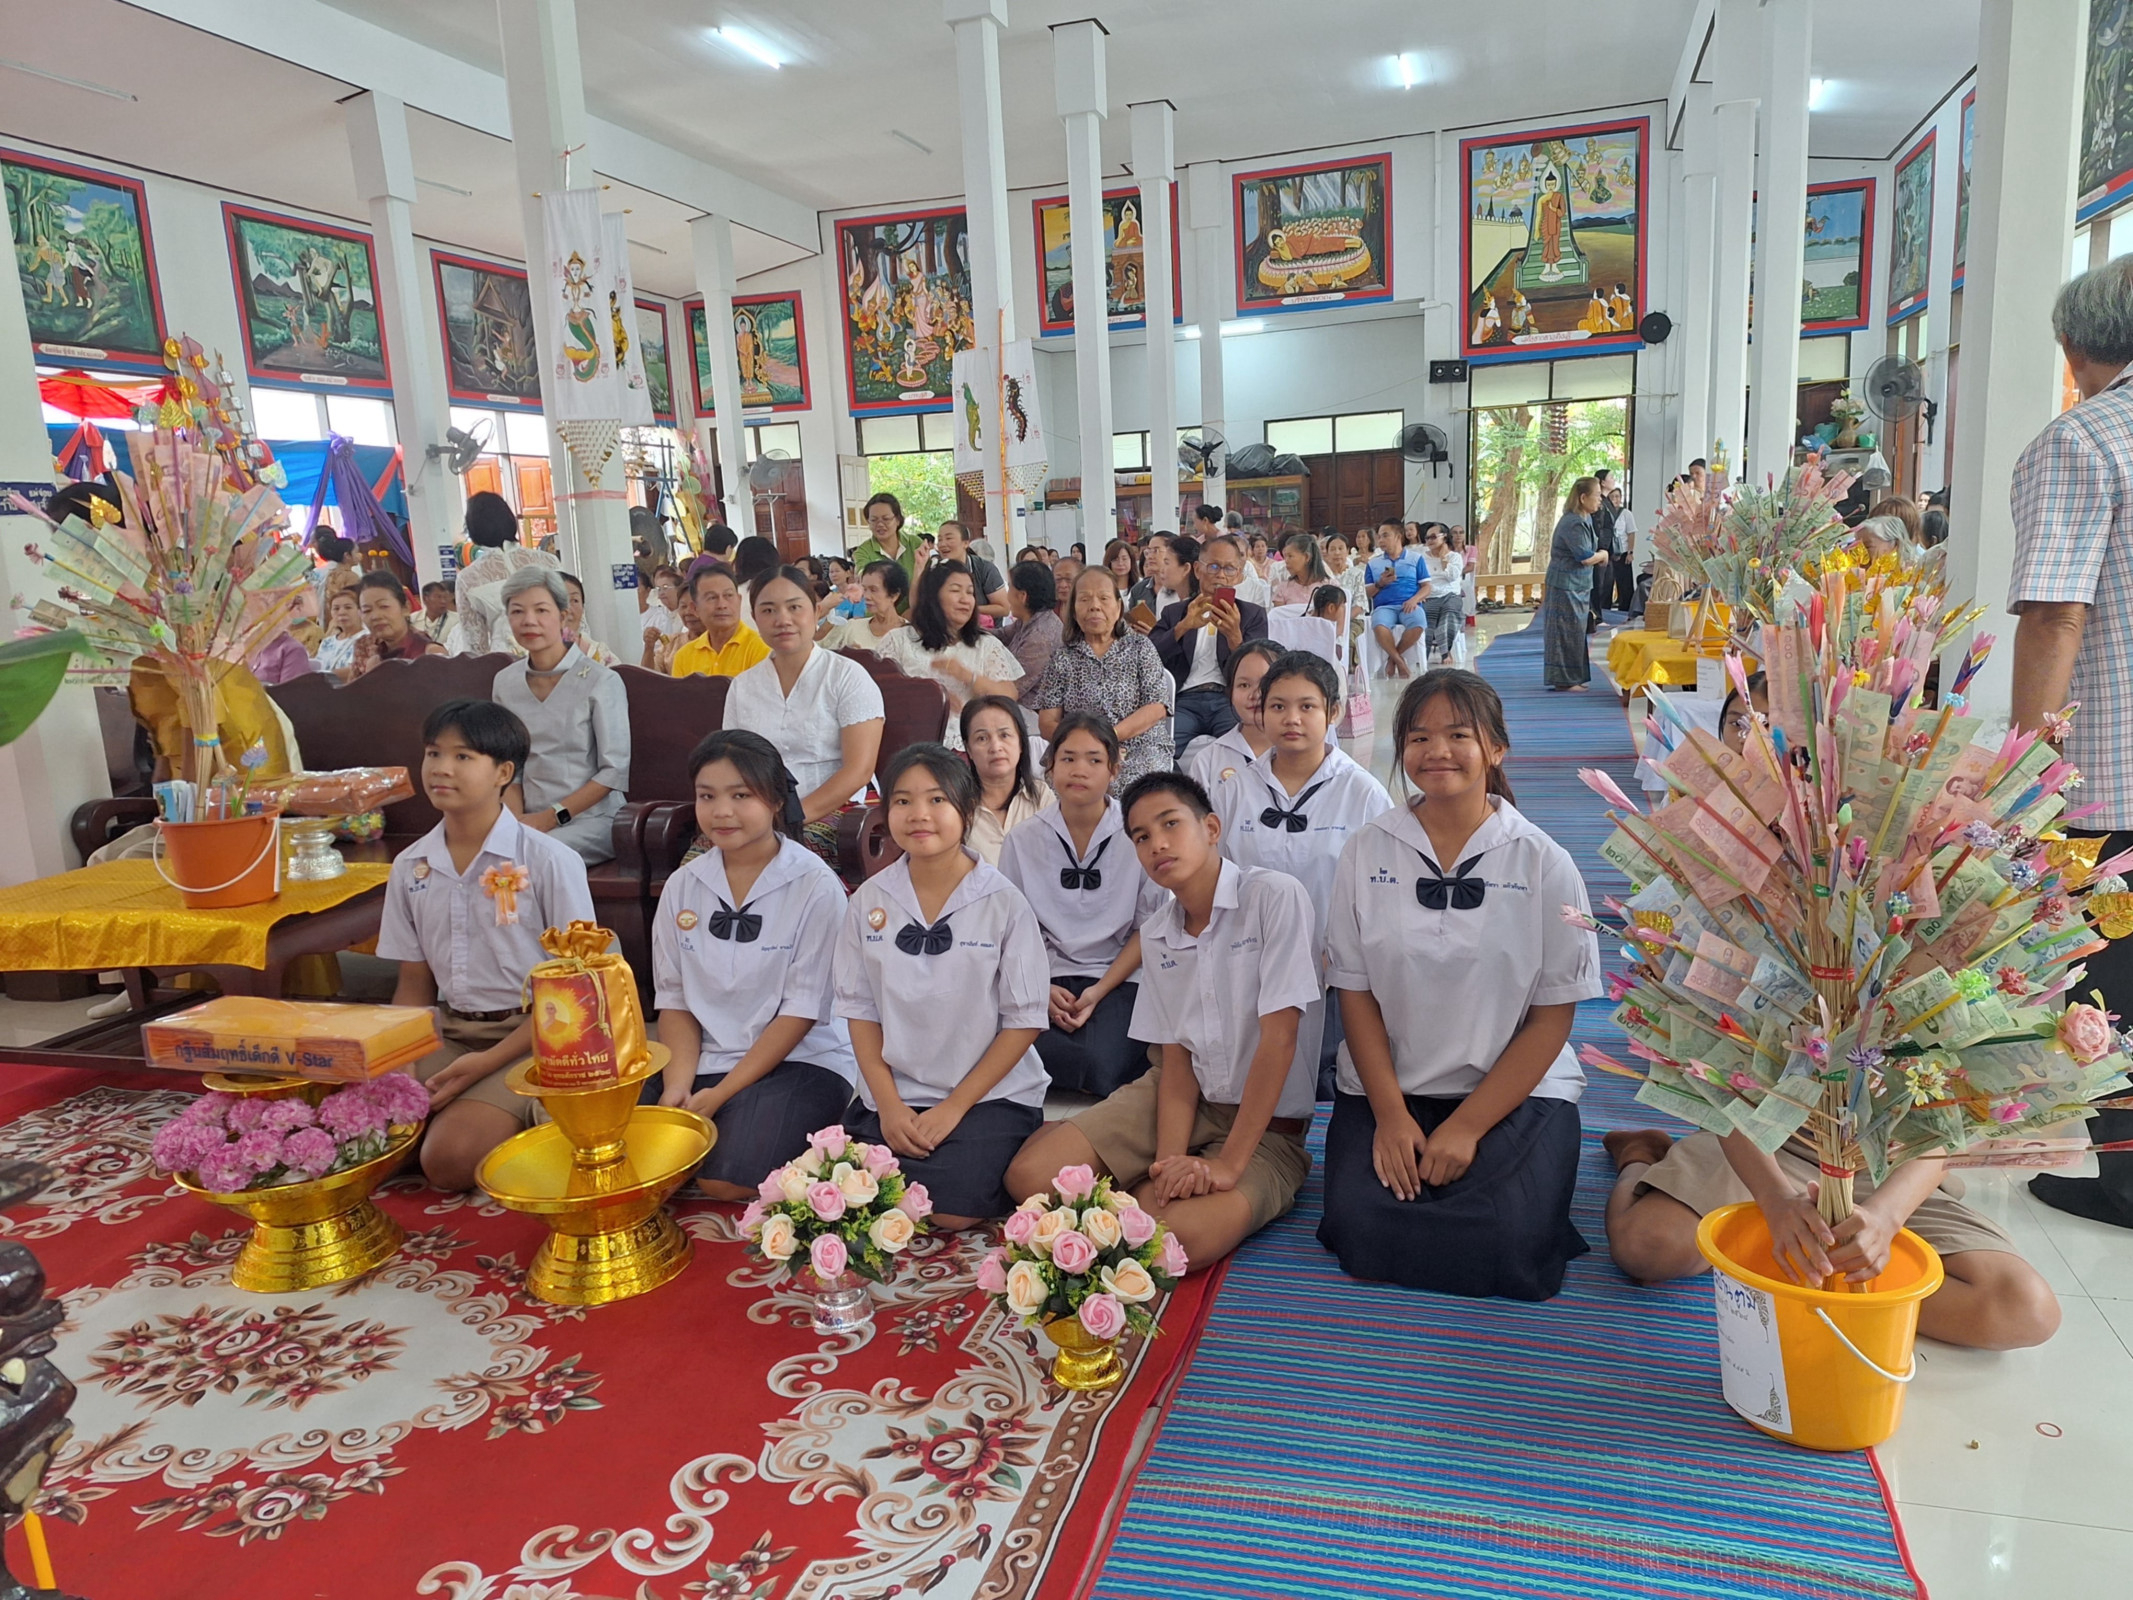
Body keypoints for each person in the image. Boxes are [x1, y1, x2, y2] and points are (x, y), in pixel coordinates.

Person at [1318, 670, 1601, 1299]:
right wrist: (1390, 1116)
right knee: (1363, 1230)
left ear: (1495, 748)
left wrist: (1469, 1126)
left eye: (1457, 734)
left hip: (1510, 1090)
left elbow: (1553, 1017)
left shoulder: (1544, 862)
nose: (1436, 750)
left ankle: (1630, 1155)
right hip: (1391, 1087)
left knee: (1507, 1239)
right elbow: (1355, 993)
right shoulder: (1367, 851)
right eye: (1418, 737)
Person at [1003, 771, 1317, 1271]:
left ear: (1211, 828)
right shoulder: (1157, 934)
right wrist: (1166, 1164)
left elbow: (1279, 1042)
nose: (1157, 845)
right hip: (1184, 1100)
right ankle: (1133, 1167)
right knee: (1028, 1178)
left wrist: (1228, 1166)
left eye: (1171, 824)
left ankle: (1147, 1177)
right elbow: (1176, 1063)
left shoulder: (1273, 897)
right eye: (1141, 836)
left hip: (1267, 1127)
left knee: (1170, 1237)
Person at [2011, 254, 2133, 1230]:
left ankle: (2126, 1175)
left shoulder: (2083, 440)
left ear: (2073, 348)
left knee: (2110, 975)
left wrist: (2024, 769)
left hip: (2111, 777)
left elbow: (2056, 613)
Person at [380, 698, 595, 1192]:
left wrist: (484, 1064)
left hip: (535, 1036)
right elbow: (413, 983)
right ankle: (469, 1112)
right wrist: (400, 1066)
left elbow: (577, 990)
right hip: (450, 1031)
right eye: (433, 753)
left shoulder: (549, 860)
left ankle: (517, 1112)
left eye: (463, 756)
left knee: (448, 1161)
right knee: (363, 1138)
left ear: (503, 772)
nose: (441, 768)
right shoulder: (411, 866)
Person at [835, 745, 1050, 1227]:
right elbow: (860, 1010)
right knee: (850, 1193)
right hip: (897, 1089)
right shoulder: (868, 900)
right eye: (903, 801)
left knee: (950, 1209)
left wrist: (953, 1108)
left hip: (986, 1094)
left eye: (937, 799)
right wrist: (889, 1107)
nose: (919, 814)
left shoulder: (1004, 902)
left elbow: (1024, 1020)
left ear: (967, 808)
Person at [653, 730, 859, 1203]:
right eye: (707, 796)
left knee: (727, 1178)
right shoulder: (683, 885)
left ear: (774, 801)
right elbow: (675, 998)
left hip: (801, 1059)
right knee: (629, 1155)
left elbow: (801, 1012)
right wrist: (677, 1088)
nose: (721, 811)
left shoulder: (815, 886)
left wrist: (721, 1093)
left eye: (741, 795)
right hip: (703, 1055)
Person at [1213, 652, 1391, 1097]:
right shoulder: (1236, 790)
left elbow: (1383, 889)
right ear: (1261, 712)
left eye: (1307, 706)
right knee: (1253, 1082)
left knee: (1325, 1081)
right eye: (1278, 706)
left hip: (1334, 970)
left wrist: (1342, 954)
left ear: (1334, 711)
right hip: (1250, 963)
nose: (1291, 718)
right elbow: (1217, 876)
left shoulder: (1362, 793)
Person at [1000, 715, 1163, 1097]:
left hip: (1118, 975)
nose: (1079, 770)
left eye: (1094, 759)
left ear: (1114, 770)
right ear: (1050, 766)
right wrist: (1042, 987)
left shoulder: (1140, 835)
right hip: (1045, 972)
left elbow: (1148, 927)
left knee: (1099, 1061)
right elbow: (1012, 929)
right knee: (1021, 1053)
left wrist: (1099, 991)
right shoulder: (1022, 839)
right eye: (1068, 758)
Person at [726, 565, 886, 876]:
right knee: (700, 865)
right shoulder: (743, 686)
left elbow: (859, 769)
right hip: (760, 813)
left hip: (837, 811)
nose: (782, 619)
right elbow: (732, 765)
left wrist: (791, 817)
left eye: (794, 607)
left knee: (778, 862)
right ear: (755, 618)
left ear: (815, 612)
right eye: (768, 610)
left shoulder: (847, 677)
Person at [490, 565, 631, 864]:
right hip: (528, 820)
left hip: (592, 820)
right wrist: (514, 823)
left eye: (541, 610)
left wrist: (548, 818)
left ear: (563, 615)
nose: (529, 621)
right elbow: (511, 766)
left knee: (531, 856)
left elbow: (613, 771)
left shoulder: (601, 680)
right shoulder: (505, 682)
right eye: (517, 612)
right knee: (483, 852)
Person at [1036, 568, 1175, 789]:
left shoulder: (1140, 647)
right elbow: (1047, 723)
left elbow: (1157, 707)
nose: (1094, 606)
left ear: (1118, 607)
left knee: (1131, 787)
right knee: (1063, 786)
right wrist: (1086, 745)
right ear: (1073, 611)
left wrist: (1108, 737)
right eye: (1084, 599)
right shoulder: (1062, 657)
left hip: (1139, 747)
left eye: (1103, 598)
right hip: (1078, 750)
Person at [878, 561, 1024, 746]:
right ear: (932, 597)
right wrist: (933, 698)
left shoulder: (986, 644)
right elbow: (879, 694)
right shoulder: (899, 640)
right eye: (955, 590)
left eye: (970, 592)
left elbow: (1008, 696)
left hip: (969, 747)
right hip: (911, 746)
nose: (965, 599)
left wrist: (966, 676)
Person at [1154, 535, 1269, 747]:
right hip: (1185, 699)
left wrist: (1235, 637)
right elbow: (1149, 656)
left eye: (1229, 569)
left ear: (1238, 575)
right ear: (1198, 570)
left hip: (1228, 699)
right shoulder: (1175, 612)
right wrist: (1183, 627)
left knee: (1242, 749)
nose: (1221, 575)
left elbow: (1259, 668)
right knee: (1161, 748)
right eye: (1214, 566)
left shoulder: (1252, 614)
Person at [1182, 639, 1285, 809]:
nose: (1255, 695)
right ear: (1230, 692)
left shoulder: (1302, 754)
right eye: (1244, 685)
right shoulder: (1208, 760)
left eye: (1265, 684)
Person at [455, 491, 558, 656]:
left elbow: (475, 647)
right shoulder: (548, 561)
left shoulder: (468, 578)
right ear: (510, 519)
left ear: (473, 529)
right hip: (554, 655)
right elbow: (573, 619)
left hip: (505, 661)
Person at [962, 694, 1052, 865]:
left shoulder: (1041, 796)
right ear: (969, 750)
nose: (995, 747)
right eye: (982, 738)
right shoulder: (956, 805)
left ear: (1021, 743)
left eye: (1004, 735)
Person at [1544, 477, 1610, 691]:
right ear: (1583, 498)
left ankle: (1573, 677)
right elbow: (1584, 557)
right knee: (1566, 632)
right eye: (1597, 495)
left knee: (1576, 632)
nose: (1600, 500)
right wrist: (1603, 555)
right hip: (1565, 585)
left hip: (1578, 584)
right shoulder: (1573, 522)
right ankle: (1564, 680)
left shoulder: (1585, 518)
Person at [671, 561, 770, 678]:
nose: (722, 605)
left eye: (728, 595)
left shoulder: (762, 649)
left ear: (739, 601)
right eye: (712, 597)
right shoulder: (684, 657)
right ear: (695, 609)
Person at [1364, 519, 1429, 676]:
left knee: (1418, 623)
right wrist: (1380, 583)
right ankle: (1399, 661)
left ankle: (1393, 659)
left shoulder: (1416, 558)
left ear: (1398, 536)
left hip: (1409, 604)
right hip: (1384, 606)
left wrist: (1414, 600)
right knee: (1379, 625)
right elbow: (1367, 593)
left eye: (1385, 535)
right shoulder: (1373, 564)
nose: (1381, 540)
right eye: (1379, 537)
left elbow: (1427, 586)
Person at [351, 572, 443, 676]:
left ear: (405, 608)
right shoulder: (374, 663)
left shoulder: (432, 654)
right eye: (367, 611)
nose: (375, 616)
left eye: (384, 606)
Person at [999, 562, 1063, 710]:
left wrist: (968, 676)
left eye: (1010, 587)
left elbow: (1012, 689)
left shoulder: (1040, 637)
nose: (1007, 596)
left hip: (1031, 713)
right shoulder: (1031, 619)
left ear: (1022, 596)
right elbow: (1002, 635)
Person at [818, 558, 909, 653]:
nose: (866, 596)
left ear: (894, 595)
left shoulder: (910, 635)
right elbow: (818, 647)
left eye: (873, 590)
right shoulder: (853, 627)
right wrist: (825, 607)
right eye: (864, 589)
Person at [934, 519, 1008, 619]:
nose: (942, 544)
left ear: (966, 543)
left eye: (949, 538)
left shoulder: (984, 569)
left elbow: (1004, 608)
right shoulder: (935, 570)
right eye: (940, 540)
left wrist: (966, 609)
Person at [1127, 531, 1194, 629]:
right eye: (1148, 551)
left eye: (1156, 550)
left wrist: (1156, 634)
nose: (1150, 556)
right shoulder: (1139, 590)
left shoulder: (1185, 591)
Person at [851, 491, 920, 583]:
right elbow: (863, 576)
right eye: (874, 520)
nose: (880, 524)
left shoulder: (915, 543)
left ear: (898, 520)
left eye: (886, 519)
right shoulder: (863, 552)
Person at [1419, 523, 1464, 663]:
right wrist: (1419, 595)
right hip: (1429, 596)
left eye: (1433, 537)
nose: (1429, 541)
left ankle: (1445, 652)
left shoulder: (1454, 557)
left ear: (1444, 537)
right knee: (1425, 617)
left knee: (1449, 612)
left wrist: (1443, 559)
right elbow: (1416, 579)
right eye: (1427, 538)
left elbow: (1452, 577)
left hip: (1450, 595)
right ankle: (1422, 655)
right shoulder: (1421, 558)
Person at [556, 571, 620, 667]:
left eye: (574, 600)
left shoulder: (601, 655)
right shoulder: (532, 655)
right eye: (559, 600)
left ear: (583, 607)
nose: (568, 609)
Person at [638, 565, 690, 670]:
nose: (661, 594)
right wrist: (649, 645)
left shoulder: (688, 618)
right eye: (658, 589)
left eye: (665, 588)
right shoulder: (664, 615)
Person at [1588, 467, 1620, 630]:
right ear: (1602, 482)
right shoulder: (1599, 503)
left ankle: (1600, 614)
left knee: (1606, 585)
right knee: (1598, 585)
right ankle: (1595, 616)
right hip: (1600, 549)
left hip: (1607, 550)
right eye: (1611, 477)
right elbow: (1599, 527)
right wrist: (1601, 549)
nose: (1613, 480)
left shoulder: (1607, 502)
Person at [315, 586, 364, 681]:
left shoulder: (368, 639)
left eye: (348, 607)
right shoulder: (327, 642)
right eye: (336, 608)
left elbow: (358, 670)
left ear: (360, 610)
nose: (341, 612)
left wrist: (322, 677)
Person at [1271, 531, 1330, 609]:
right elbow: (1278, 615)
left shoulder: (1329, 587)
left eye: (1290, 556)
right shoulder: (1283, 589)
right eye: (1285, 556)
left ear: (1307, 557)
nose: (1286, 561)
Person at [1606, 485, 1638, 614]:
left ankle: (1626, 610)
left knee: (1625, 584)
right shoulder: (1605, 513)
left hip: (1623, 552)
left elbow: (1631, 533)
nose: (1616, 499)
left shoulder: (1626, 514)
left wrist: (1630, 552)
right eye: (1612, 497)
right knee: (1607, 583)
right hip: (1608, 553)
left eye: (1618, 496)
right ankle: (1605, 609)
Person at [420, 580, 461, 654]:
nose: (443, 601)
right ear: (425, 598)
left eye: (445, 597)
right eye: (438, 597)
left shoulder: (457, 620)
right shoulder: (412, 619)